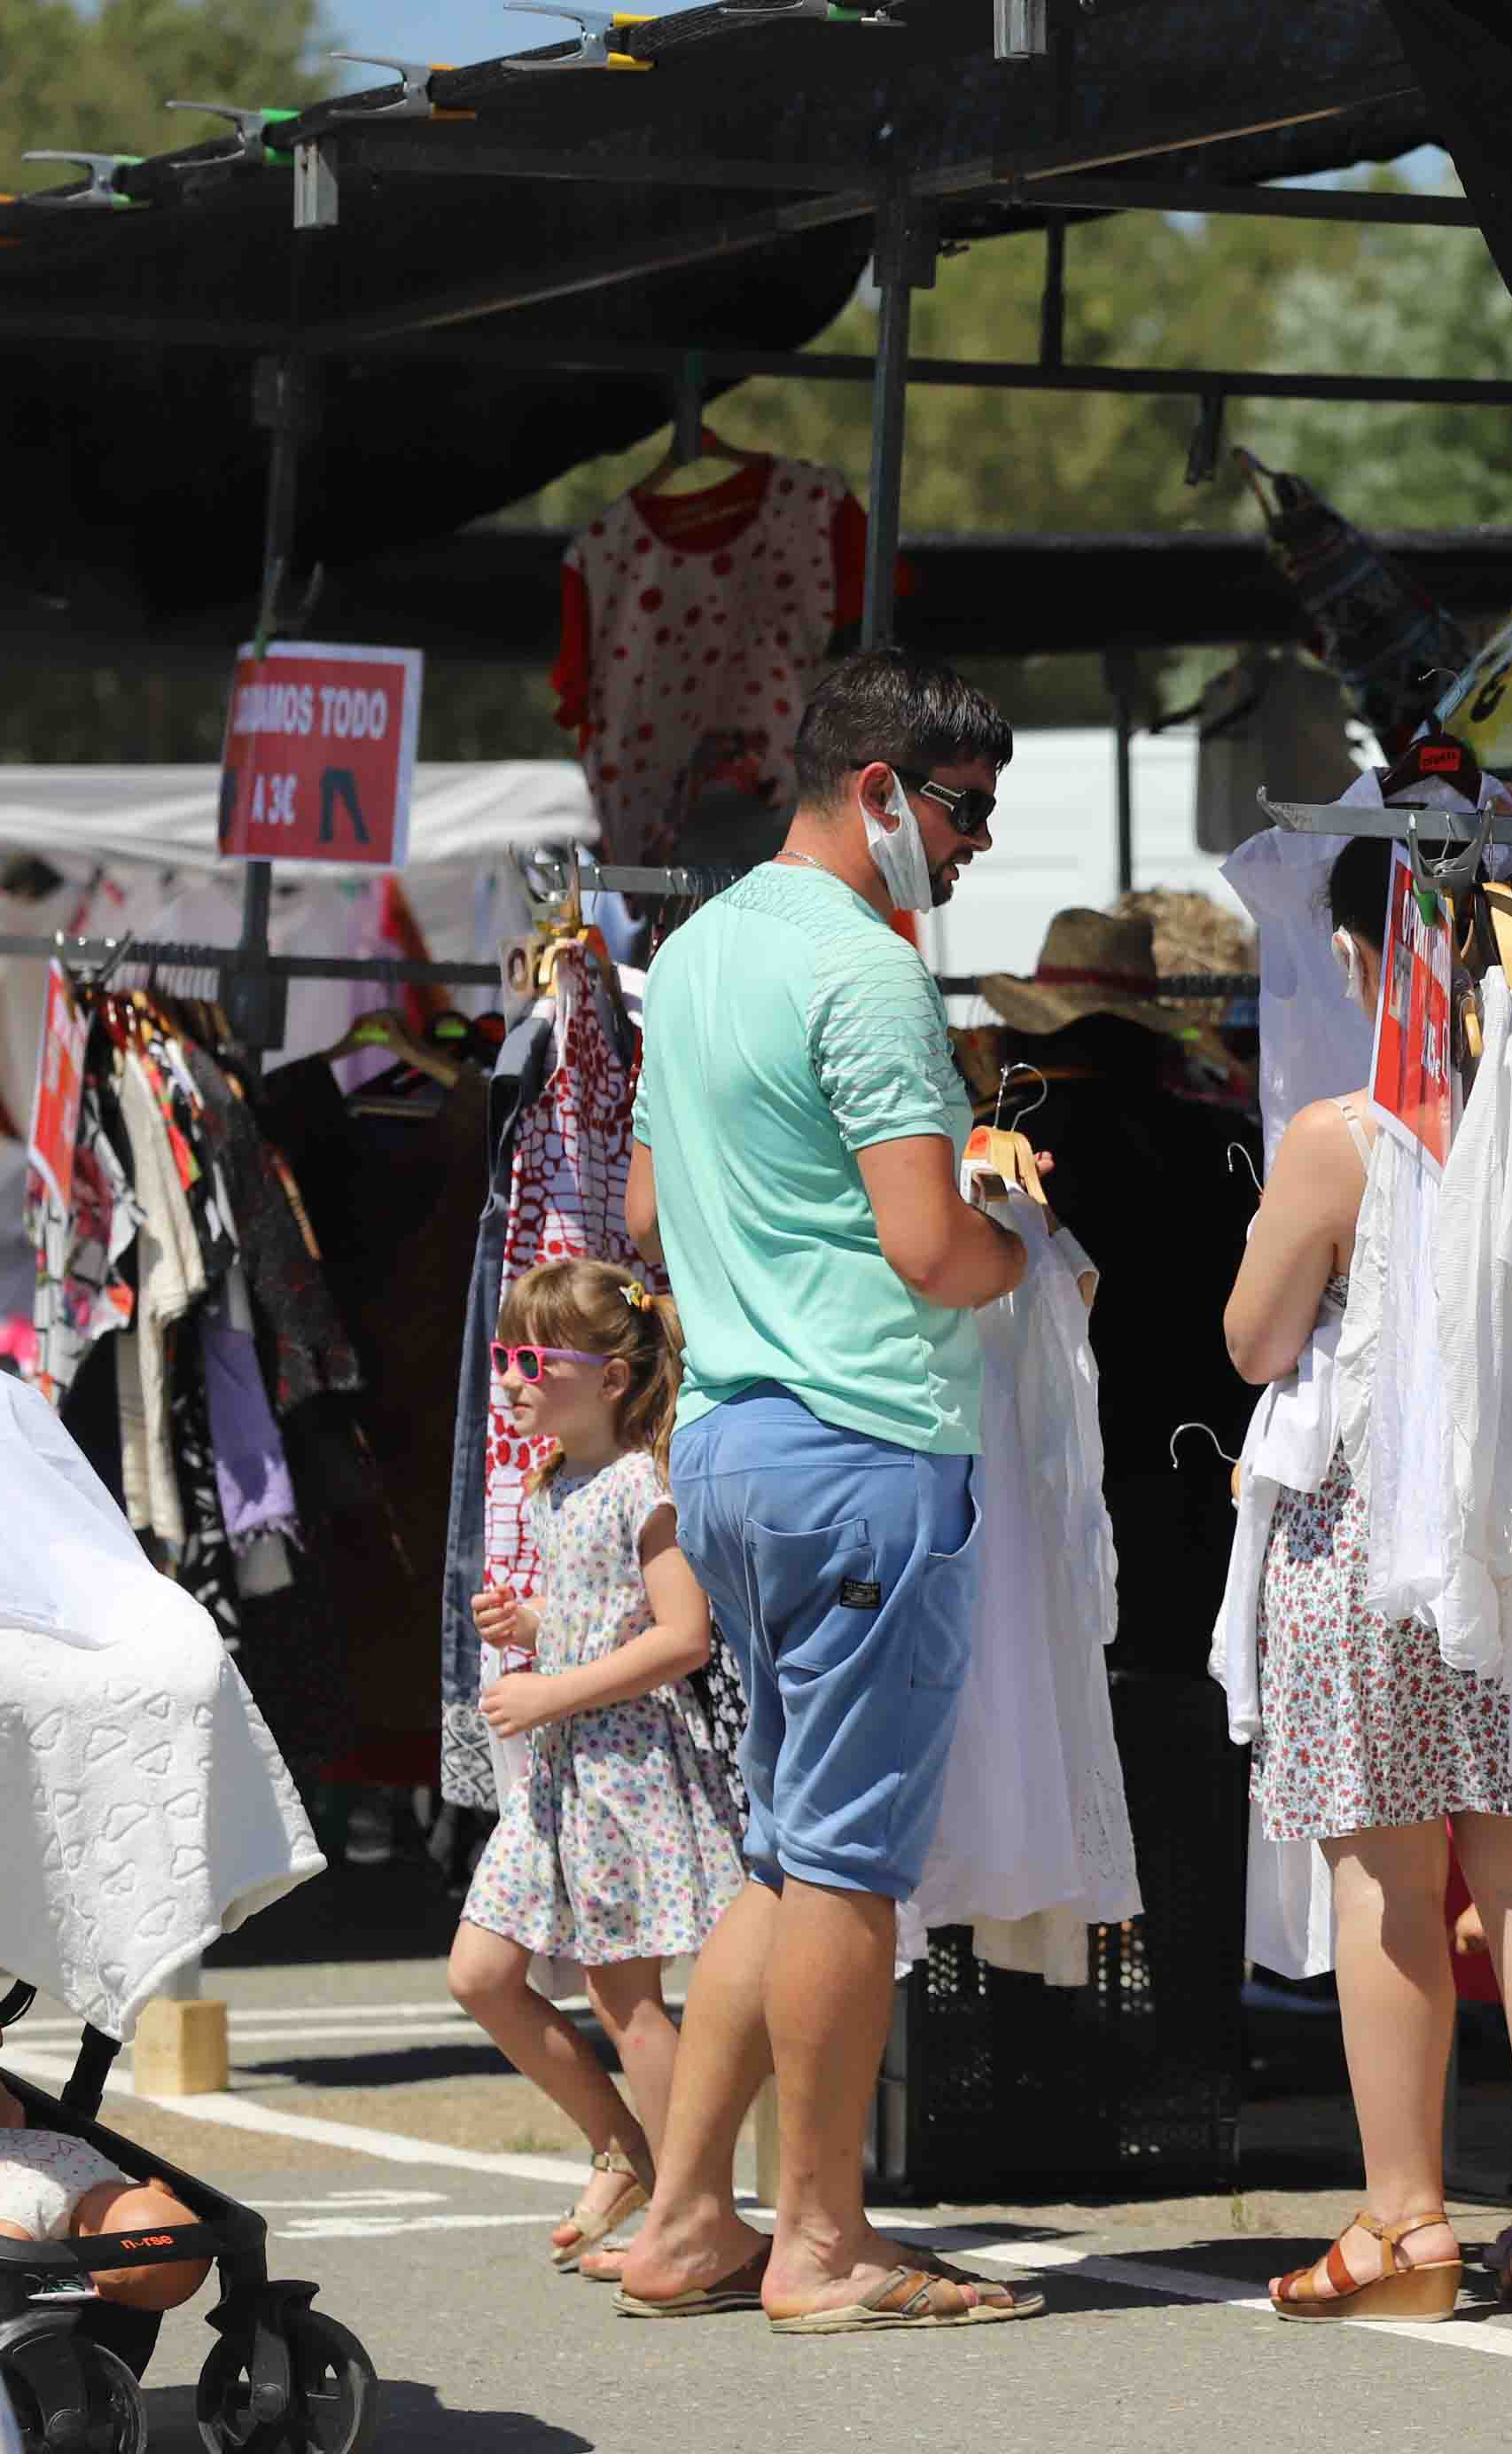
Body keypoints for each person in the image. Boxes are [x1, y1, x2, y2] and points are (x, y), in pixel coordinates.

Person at [603, 648, 1044, 2334]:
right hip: (861, 1444)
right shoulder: (864, 971)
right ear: (879, 792)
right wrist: (1029, 1249)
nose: (982, 840)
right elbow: (935, 1248)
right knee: (845, 1866)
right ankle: (825, 2237)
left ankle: (688, 2216)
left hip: (725, 1441)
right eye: (967, 807)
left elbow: (645, 1211)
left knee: (779, 1857)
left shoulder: (697, 948)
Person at [1223, 836, 1512, 2322]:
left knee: (1385, 1873)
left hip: (1368, 1527)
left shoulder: (1345, 1131)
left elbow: (1253, 1337)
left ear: (1372, 961)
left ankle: (1405, 2212)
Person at [447, 1260, 747, 2272]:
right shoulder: (554, 1483)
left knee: (628, 2001)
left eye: (533, 1360)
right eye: (503, 1357)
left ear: (612, 1377)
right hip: (559, 1774)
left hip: (624, 1774)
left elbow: (683, 1637)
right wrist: (535, 1627)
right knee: (481, 1971)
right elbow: (602, 1623)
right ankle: (628, 2151)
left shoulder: (641, 1485)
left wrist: (548, 1690)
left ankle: (687, 2208)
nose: (512, 1379)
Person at [0, 2021, 208, 2312]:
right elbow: (0, 2253)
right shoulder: (41, 2209)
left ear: (157, 2188)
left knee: (6, 2112)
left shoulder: (109, 2172)